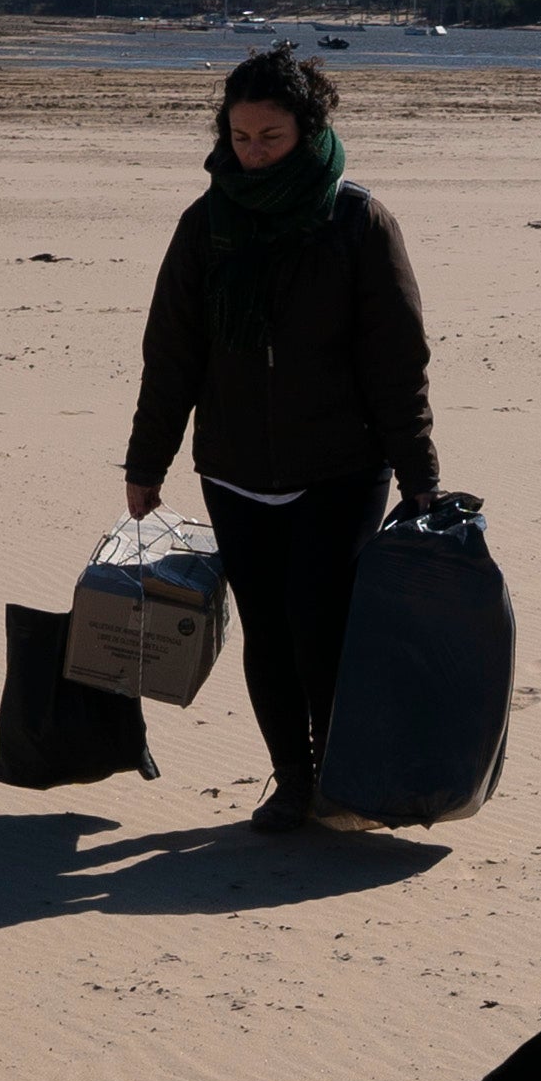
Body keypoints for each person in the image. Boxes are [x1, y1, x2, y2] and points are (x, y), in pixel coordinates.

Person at [127, 47, 444, 825]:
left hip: (338, 468)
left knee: (321, 626)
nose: (253, 151)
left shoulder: (357, 219)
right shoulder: (205, 225)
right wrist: (147, 459)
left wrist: (419, 475)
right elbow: (172, 355)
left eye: (269, 136)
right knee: (265, 634)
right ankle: (293, 784)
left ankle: (343, 779)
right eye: (240, 137)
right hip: (234, 467)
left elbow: (396, 361)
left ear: (308, 129)